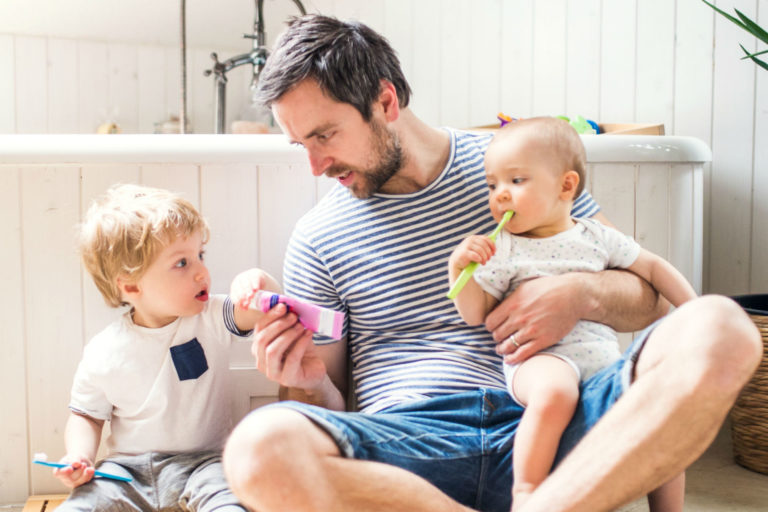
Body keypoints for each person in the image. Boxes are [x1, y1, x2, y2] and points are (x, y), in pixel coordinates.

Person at [221, 14, 762, 512]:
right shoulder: (318, 237)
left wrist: (579, 293)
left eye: (324, 135)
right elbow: (332, 408)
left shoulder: (514, 168)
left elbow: (654, 298)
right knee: (256, 447)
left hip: (557, 419)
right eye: (300, 145)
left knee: (721, 327)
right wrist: (305, 380)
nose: (315, 165)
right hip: (411, 448)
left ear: (385, 101)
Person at [448, 117, 695, 511]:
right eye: (493, 185)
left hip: (601, 360)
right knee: (556, 392)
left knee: (658, 406)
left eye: (516, 181)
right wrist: (460, 269)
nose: (500, 196)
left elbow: (653, 268)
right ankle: (527, 494)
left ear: (566, 186)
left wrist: (694, 312)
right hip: (538, 360)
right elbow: (474, 313)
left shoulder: (596, 237)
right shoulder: (503, 248)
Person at [53, 184, 280, 511]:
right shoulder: (104, 350)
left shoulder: (211, 316)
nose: (202, 271)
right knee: (83, 504)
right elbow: (86, 415)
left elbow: (262, 307)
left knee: (229, 500)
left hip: (204, 464)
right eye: (181, 263)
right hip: (125, 470)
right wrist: (80, 456)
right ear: (131, 285)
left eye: (200, 255)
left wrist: (257, 280)